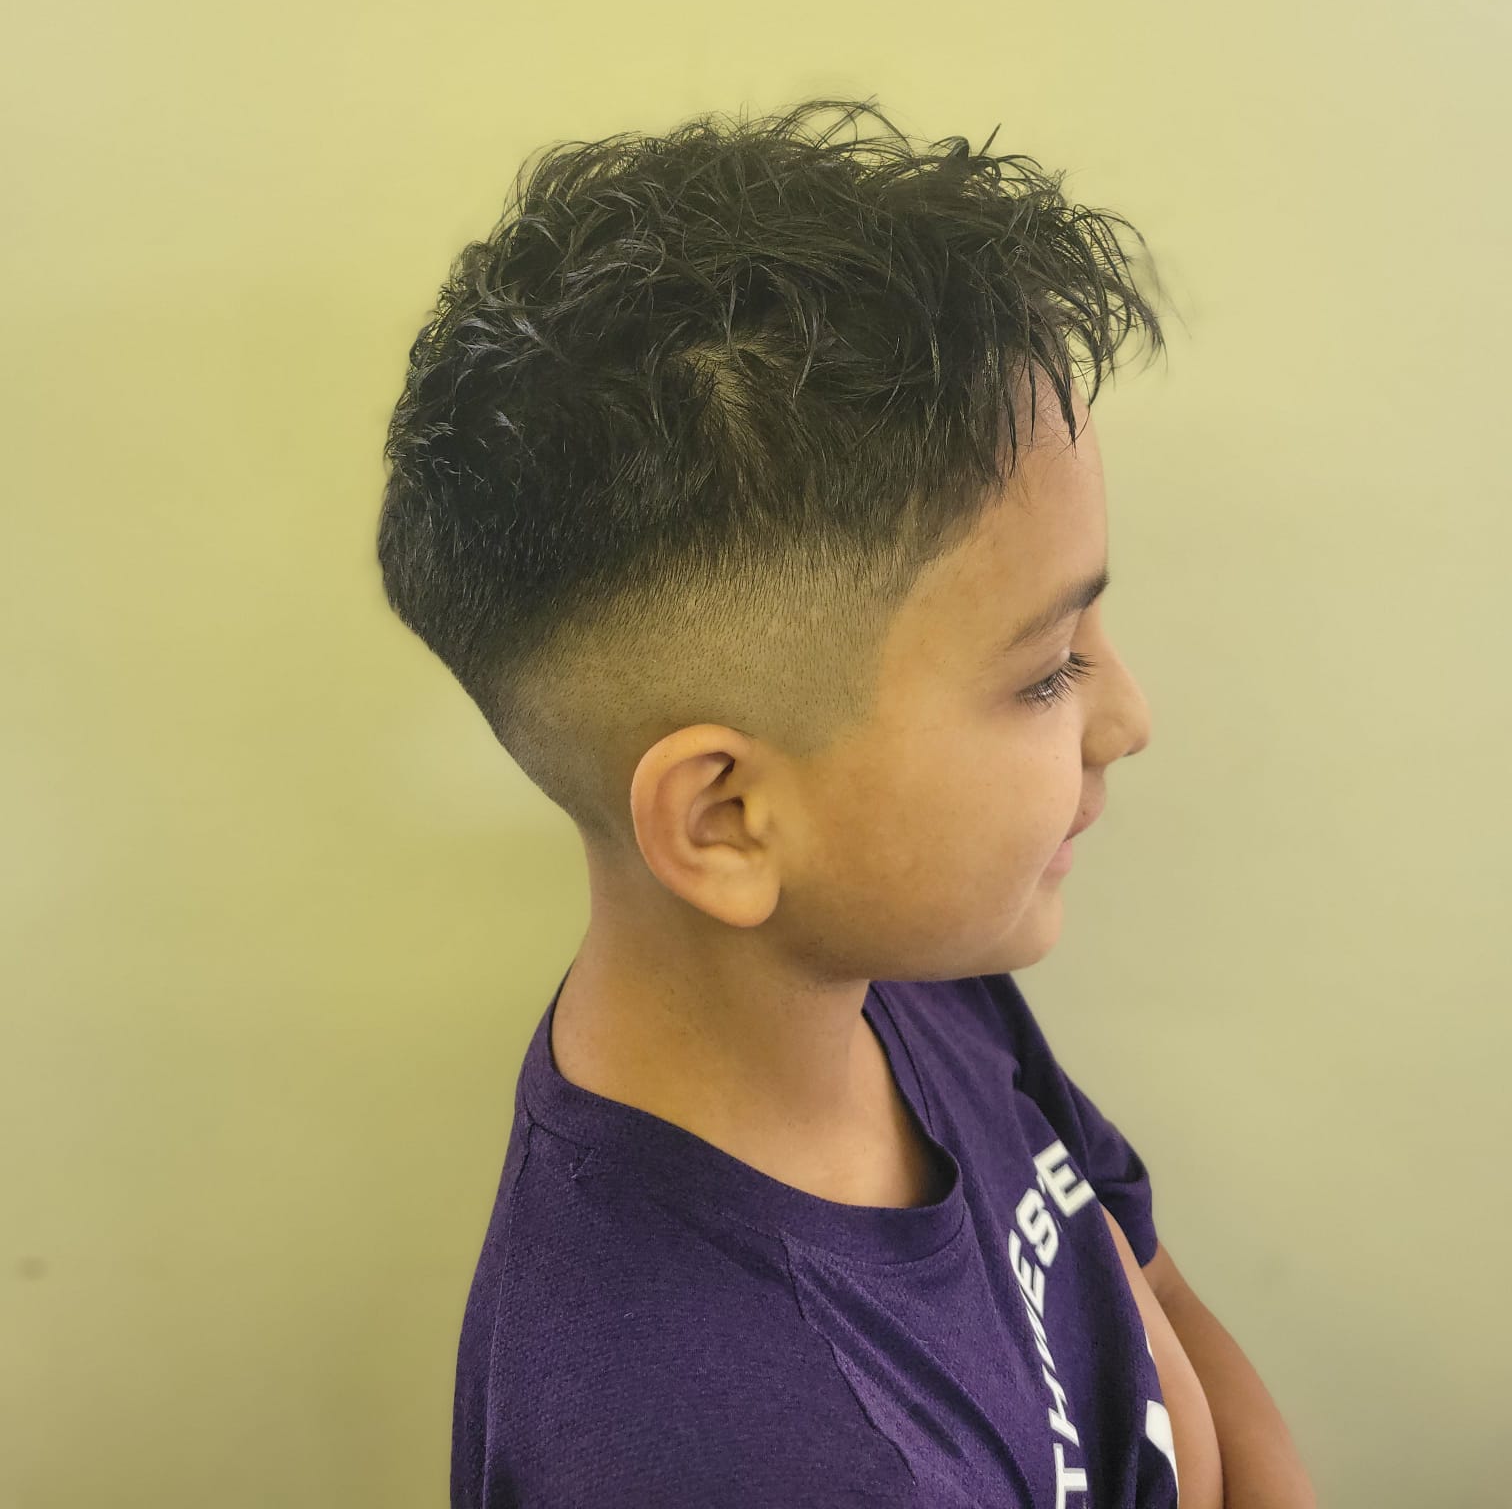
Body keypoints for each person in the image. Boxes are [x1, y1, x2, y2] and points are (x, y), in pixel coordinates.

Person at [376, 97, 1307, 1506]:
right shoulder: (718, 1445)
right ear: (731, 819)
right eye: (1049, 671)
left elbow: (1169, 1340)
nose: (1130, 719)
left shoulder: (899, 974)